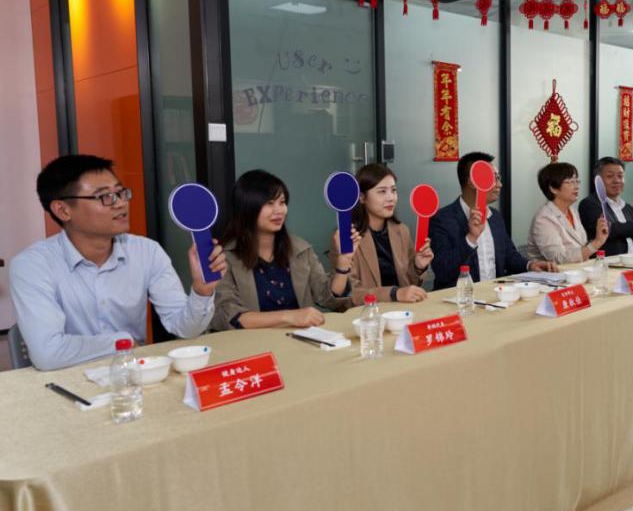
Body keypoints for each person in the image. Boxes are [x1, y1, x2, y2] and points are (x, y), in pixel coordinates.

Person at [10, 155, 227, 371]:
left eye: (121, 193)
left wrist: (202, 291)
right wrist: (123, 342)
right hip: (65, 382)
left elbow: (184, 329)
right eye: (105, 196)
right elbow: (48, 354)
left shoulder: (147, 252)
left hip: (134, 377)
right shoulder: (32, 266)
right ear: (63, 210)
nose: (121, 203)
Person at [212, 170, 355, 331]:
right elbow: (226, 316)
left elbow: (328, 298)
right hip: (253, 343)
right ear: (247, 207)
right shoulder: (224, 257)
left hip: (301, 339)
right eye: (269, 203)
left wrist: (343, 263)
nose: (279, 210)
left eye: (282, 202)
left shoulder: (300, 249)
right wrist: (288, 316)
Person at [429, 152, 555, 289]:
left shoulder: (495, 216)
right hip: (459, 297)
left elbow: (509, 256)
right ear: (472, 181)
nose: (500, 184)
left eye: (498, 178)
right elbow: (442, 271)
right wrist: (471, 238)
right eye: (493, 178)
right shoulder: (442, 219)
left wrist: (530, 265)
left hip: (495, 295)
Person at [329, 163, 434, 305]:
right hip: (368, 314)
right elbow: (349, 295)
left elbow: (409, 285)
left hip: (402, 312)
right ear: (362, 197)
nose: (391, 198)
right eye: (382, 192)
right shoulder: (347, 237)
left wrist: (418, 266)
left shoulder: (402, 231)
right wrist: (394, 294)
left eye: (393, 190)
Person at [578, 157, 633, 256]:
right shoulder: (589, 204)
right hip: (609, 262)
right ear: (597, 180)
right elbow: (612, 229)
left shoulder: (627, 207)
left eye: (620, 176)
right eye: (610, 176)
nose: (617, 180)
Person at [527, 162, 609, 263]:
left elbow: (581, 246)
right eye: (570, 182)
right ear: (553, 188)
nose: (576, 186)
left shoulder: (572, 211)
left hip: (577, 269)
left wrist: (599, 237)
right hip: (553, 272)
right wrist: (596, 243)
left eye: (577, 181)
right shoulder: (543, 218)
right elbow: (558, 259)